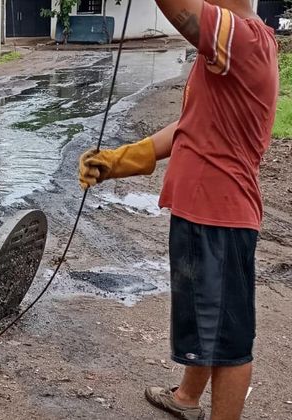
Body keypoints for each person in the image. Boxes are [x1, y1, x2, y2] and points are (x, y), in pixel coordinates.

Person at [80, 1, 277, 419]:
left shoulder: (241, 37)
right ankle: (187, 399)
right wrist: (115, 162)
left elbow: (179, 11)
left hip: (219, 216)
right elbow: (189, 125)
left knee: (228, 341)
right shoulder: (227, 51)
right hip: (203, 213)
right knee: (207, 322)